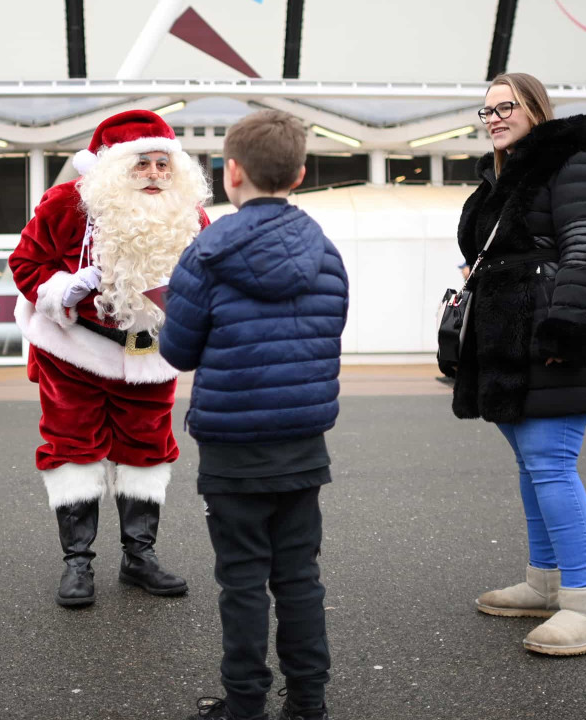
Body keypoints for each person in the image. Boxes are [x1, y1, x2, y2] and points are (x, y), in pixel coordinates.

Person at [160, 109, 348, 720]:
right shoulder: (325, 252)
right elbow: (327, 333)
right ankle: (309, 703)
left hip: (232, 448)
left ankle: (244, 704)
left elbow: (179, 352)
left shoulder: (205, 254)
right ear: (298, 173)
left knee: (242, 581)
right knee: (299, 576)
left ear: (231, 171)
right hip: (302, 443)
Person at [9, 110, 211, 607]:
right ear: (116, 168)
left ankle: (139, 556)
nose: (155, 175)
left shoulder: (190, 213)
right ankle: (78, 562)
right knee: (73, 447)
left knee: (148, 447)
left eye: (164, 165)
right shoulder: (66, 204)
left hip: (151, 351)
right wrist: (62, 290)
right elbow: (25, 263)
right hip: (73, 351)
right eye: (142, 164)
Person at [454, 73, 586, 656]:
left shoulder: (571, 162)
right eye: (487, 109)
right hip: (507, 342)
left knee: (550, 462)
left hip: (551, 334)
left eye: (508, 106)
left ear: (535, 109)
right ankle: (545, 581)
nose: (495, 116)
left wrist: (566, 325)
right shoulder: (504, 176)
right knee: (532, 463)